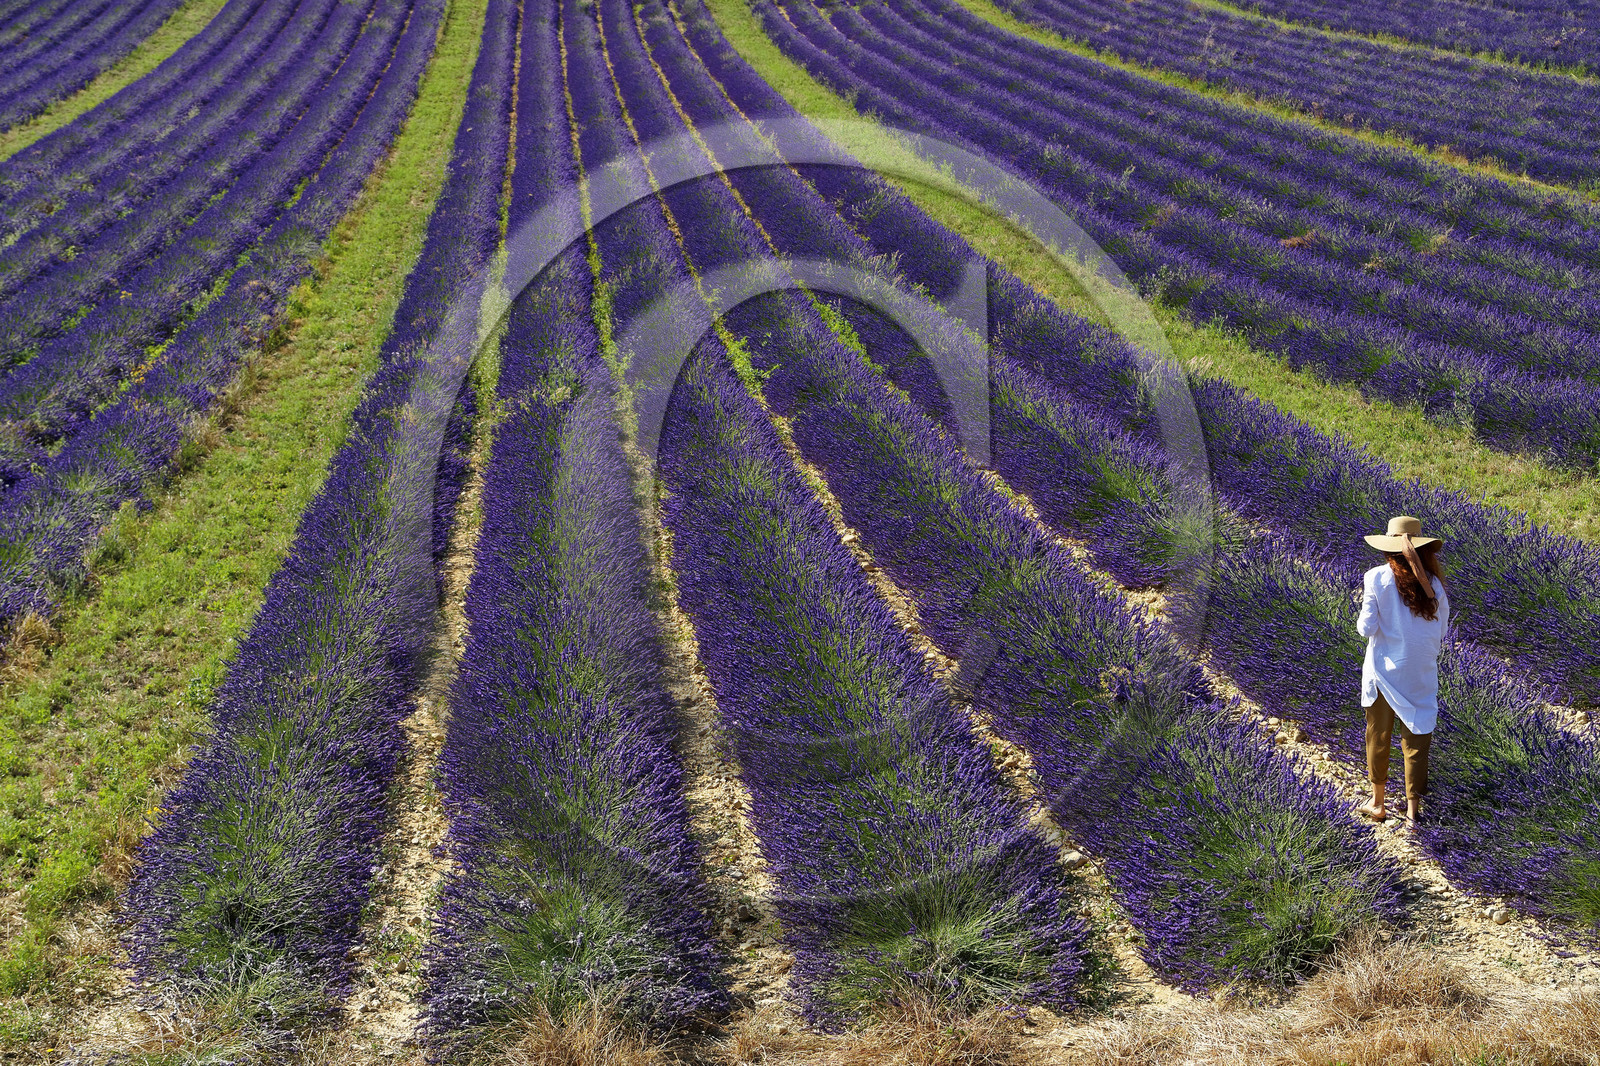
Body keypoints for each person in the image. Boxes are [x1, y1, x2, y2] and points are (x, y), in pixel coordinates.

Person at [1354, 516, 1448, 827]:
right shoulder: (1434, 586)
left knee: (1379, 735)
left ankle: (1378, 803)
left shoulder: (1377, 578)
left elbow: (1366, 628)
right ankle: (1412, 814)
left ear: (1389, 548)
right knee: (1417, 736)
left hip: (1383, 670)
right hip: (1420, 671)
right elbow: (1441, 631)